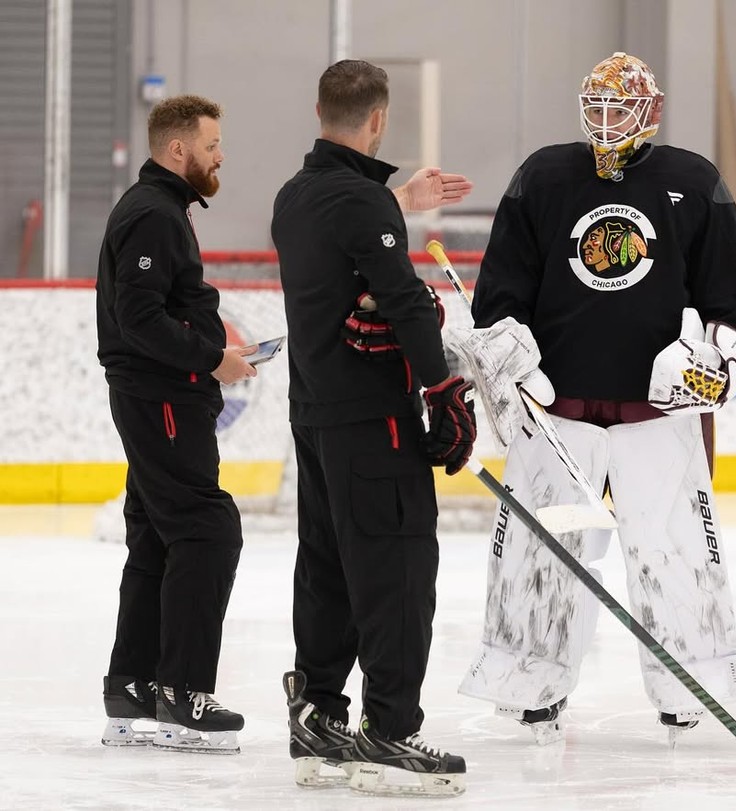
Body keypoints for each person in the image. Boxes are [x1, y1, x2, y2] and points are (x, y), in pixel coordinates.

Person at [453, 52, 736, 746]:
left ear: (650, 110)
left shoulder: (692, 180)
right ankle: (533, 682)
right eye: (594, 106)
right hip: (558, 419)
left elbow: (732, 293)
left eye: (618, 107)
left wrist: (725, 357)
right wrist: (511, 357)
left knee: (674, 550)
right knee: (545, 552)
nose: (604, 120)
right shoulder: (543, 176)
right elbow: (502, 289)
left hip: (658, 420)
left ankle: (693, 682)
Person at [271, 59, 476, 797]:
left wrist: (395, 199)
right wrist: (445, 392)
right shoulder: (362, 205)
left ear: (319, 109)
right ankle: (390, 731)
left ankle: (319, 716)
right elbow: (402, 300)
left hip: (315, 419)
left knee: (327, 567)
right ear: (380, 119)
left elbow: (352, 241)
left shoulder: (294, 198)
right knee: (395, 570)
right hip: (372, 423)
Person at [96, 95, 259, 754]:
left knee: (159, 535)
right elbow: (138, 317)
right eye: (212, 145)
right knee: (205, 527)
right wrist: (210, 357)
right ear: (177, 150)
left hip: (166, 395)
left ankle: (132, 685)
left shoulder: (164, 211)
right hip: (161, 395)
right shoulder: (154, 214)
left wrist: (212, 356)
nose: (221, 156)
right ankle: (184, 694)